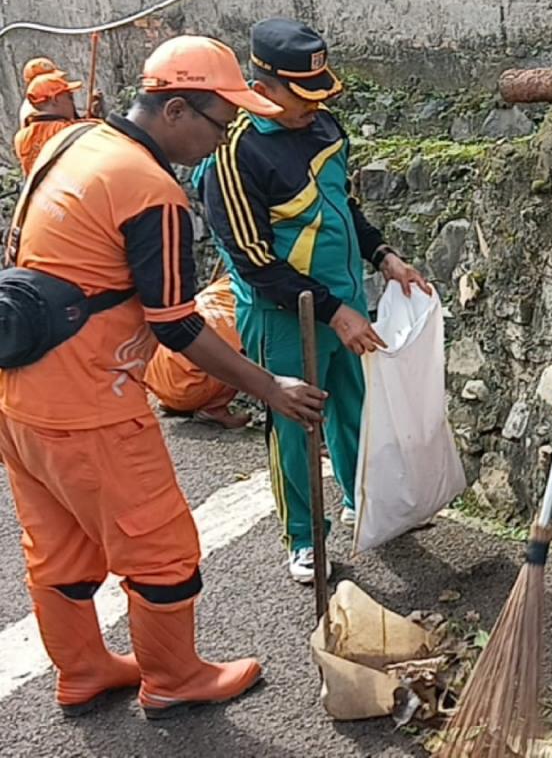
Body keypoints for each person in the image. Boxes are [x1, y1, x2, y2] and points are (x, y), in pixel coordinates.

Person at [0, 35, 326, 719]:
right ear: (175, 109)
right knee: (163, 550)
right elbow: (176, 323)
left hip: (22, 397)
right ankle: (173, 678)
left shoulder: (70, 144)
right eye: (219, 122)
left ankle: (83, 671)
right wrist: (270, 387)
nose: (223, 138)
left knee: (58, 544)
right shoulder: (152, 190)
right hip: (93, 401)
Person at [199, 18, 431, 585]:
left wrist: (384, 257)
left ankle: (365, 503)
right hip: (286, 315)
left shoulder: (324, 127)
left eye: (319, 94)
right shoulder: (234, 155)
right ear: (264, 86)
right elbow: (255, 264)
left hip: (345, 299)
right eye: (302, 97)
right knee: (296, 421)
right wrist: (333, 310)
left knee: (356, 409)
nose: (313, 108)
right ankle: (304, 538)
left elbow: (343, 208)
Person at [144, 274, 251, 429]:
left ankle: (172, 400)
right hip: (186, 390)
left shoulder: (222, 286)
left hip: (155, 380)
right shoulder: (246, 310)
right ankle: (214, 409)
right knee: (242, 354)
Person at [12, 66, 96, 176]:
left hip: (41, 192)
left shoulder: (20, 137)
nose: (72, 103)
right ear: (55, 99)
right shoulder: (67, 130)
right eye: (70, 97)